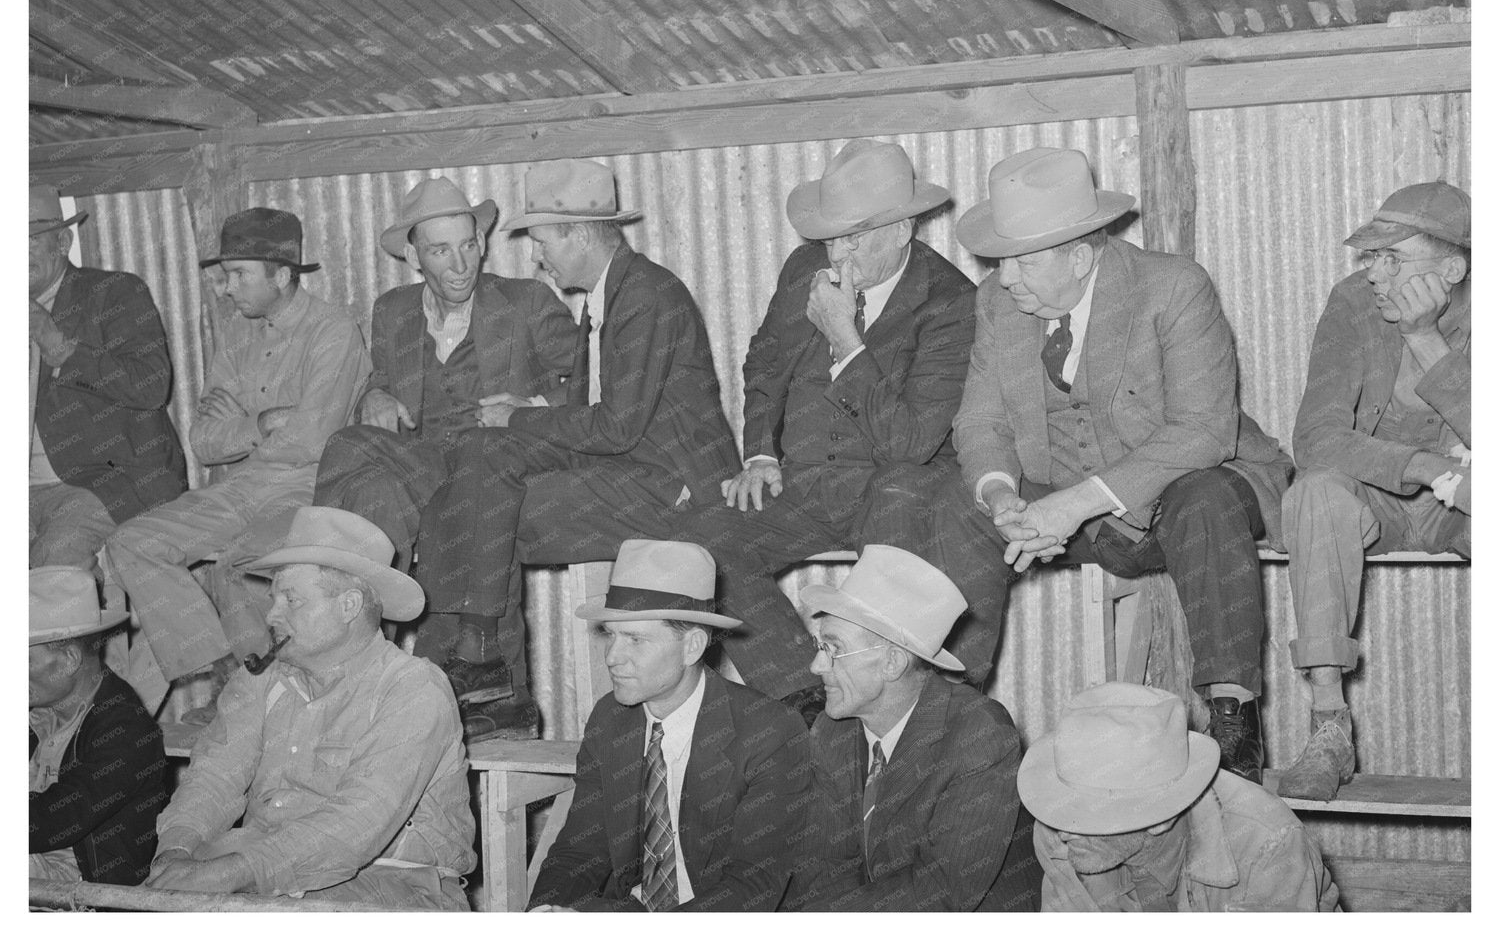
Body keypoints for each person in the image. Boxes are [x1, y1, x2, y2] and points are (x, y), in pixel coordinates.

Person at [931, 147, 1291, 782]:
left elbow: (1203, 431)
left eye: (1021, 260)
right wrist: (1002, 497)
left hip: (1184, 497)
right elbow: (980, 422)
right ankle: (946, 713)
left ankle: (1233, 717)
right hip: (1080, 517)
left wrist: (1070, 505)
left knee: (1203, 496)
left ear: (1079, 254)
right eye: (999, 260)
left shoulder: (1173, 286)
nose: (1005, 277)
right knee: (957, 505)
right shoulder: (997, 304)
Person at [416, 160, 739, 740]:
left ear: (579, 234)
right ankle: (484, 663)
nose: (538, 260)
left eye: (541, 243)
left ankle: (484, 674)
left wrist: (521, 417)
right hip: (628, 465)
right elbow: (599, 412)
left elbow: (616, 428)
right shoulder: (605, 296)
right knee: (481, 458)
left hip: (675, 482)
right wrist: (529, 414)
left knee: (477, 516)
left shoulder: (646, 294)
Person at [684, 138, 975, 721]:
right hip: (804, 481)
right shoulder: (803, 269)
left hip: (890, 491)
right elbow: (766, 360)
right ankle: (805, 697)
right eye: (831, 234)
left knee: (887, 601)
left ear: (903, 228)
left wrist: (847, 341)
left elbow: (911, 445)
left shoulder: (952, 303)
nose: (837, 251)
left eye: (855, 235)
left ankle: (904, 724)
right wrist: (761, 454)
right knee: (702, 538)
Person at [312, 176, 574, 694]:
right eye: (440, 251)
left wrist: (530, 406)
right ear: (414, 257)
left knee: (394, 484)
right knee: (358, 467)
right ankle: (348, 635)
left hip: (497, 459)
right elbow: (382, 379)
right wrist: (375, 396)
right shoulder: (393, 310)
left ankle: (366, 649)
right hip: (425, 459)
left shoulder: (527, 301)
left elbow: (587, 386)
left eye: (469, 246)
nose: (460, 265)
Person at [105, 208, 370, 718]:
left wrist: (245, 428)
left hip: (305, 491)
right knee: (131, 542)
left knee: (238, 565)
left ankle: (247, 696)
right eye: (226, 275)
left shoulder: (333, 331)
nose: (227, 289)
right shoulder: (235, 334)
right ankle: (230, 670)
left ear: (283, 274)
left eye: (239, 274)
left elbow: (313, 440)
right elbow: (204, 442)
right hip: (241, 488)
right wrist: (262, 421)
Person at [146, 506, 475, 909]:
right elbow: (214, 779)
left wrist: (228, 873)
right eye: (273, 599)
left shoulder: (412, 688)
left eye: (291, 599)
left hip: (396, 887)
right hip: (267, 879)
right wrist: (175, 852)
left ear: (349, 606)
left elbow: (356, 824)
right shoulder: (260, 680)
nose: (271, 614)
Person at [1279, 181, 1470, 800]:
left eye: (1394, 260)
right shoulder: (1353, 303)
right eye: (1371, 258)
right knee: (1314, 491)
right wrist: (1423, 466)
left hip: (1469, 502)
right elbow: (1316, 437)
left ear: (1452, 268)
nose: (1376, 276)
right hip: (1382, 496)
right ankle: (1328, 726)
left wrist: (1424, 338)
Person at [529, 539, 809, 912]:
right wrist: (541, 914)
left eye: (636, 639)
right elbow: (579, 851)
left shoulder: (769, 731)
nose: (612, 657)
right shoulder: (610, 720)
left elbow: (752, 887)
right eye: (611, 635)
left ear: (692, 646)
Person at [785, 545, 1040, 911]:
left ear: (892, 663)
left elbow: (939, 894)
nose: (815, 666)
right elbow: (822, 866)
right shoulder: (831, 731)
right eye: (818, 644)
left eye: (833, 648)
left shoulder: (980, 735)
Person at [1019, 682, 1338, 912]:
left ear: (1162, 818)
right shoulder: (1060, 838)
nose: (1064, 828)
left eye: (1088, 815)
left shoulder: (1267, 844)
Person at [29, 184, 186, 573]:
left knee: (52, 567)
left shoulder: (113, 292)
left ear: (63, 242)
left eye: (28, 240)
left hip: (101, 483)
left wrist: (61, 346)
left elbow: (151, 385)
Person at [30, 567, 168, 886]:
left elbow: (57, 818)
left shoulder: (126, 730)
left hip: (82, 894)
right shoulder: (36, 710)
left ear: (68, 660)